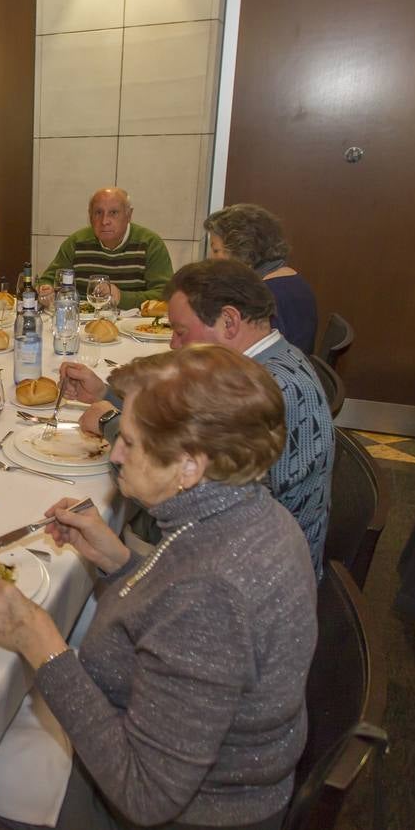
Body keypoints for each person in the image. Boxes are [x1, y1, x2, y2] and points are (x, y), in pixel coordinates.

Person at [0, 346, 317, 830]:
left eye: (130, 443)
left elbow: (145, 793)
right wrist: (118, 560)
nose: (114, 452)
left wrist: (40, 642)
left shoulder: (211, 594)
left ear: (190, 467)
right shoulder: (252, 513)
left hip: (191, 813)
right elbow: (173, 606)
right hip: (209, 770)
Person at [61, 259, 334, 575]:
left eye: (180, 331)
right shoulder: (279, 358)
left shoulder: (252, 392)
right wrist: (105, 395)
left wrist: (111, 424)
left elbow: (170, 487)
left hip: (249, 577)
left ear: (229, 321)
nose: (174, 344)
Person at [206, 204, 319, 354]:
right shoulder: (290, 279)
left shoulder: (264, 295)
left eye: (216, 250)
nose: (211, 258)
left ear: (242, 249)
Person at [37, 187, 173, 310]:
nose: (104, 221)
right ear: (90, 216)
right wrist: (45, 289)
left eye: (113, 213)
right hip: (83, 323)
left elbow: (166, 294)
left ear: (129, 215)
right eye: (98, 213)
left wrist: (121, 297)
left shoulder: (150, 244)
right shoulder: (76, 243)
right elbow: (48, 280)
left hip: (135, 327)